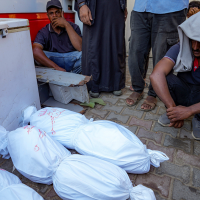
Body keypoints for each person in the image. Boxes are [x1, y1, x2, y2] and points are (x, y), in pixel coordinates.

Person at [126, 0, 188, 111]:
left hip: (170, 9)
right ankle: (138, 88)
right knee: (135, 51)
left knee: (162, 54)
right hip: (141, 8)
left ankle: (153, 93)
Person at [150, 12, 200, 139]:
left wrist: (189, 111)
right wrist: (174, 110)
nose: (195, 47)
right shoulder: (181, 47)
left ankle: (198, 118)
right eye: (192, 40)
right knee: (165, 79)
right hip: (184, 90)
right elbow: (156, 75)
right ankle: (174, 111)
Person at [75, 0, 127, 98]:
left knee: (115, 41)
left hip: (116, 5)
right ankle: (94, 84)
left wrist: (124, 5)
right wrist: (82, 4)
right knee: (94, 43)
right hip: (94, 4)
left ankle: (115, 83)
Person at [33, 0, 82, 74]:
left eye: (57, 12)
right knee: (36, 56)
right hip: (54, 64)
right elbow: (35, 50)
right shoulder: (44, 31)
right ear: (48, 16)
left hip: (72, 61)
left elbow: (80, 48)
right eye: (51, 13)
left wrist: (66, 25)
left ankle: (71, 76)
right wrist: (56, 68)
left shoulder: (74, 27)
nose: (54, 15)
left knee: (86, 54)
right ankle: (59, 74)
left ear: (62, 13)